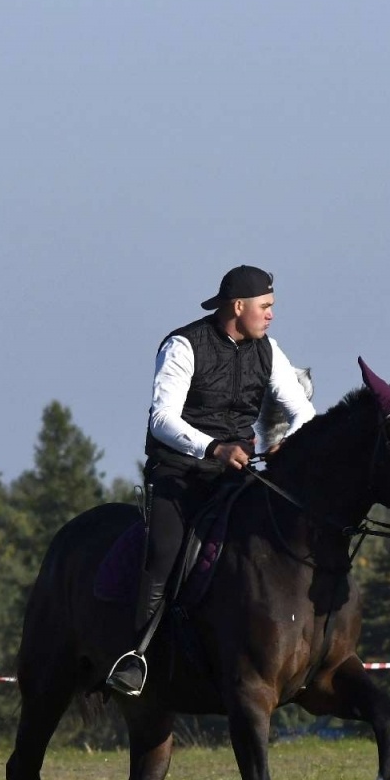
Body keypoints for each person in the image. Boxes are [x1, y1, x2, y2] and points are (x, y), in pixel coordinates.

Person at [103, 266, 316, 697]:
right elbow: (162, 419)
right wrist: (213, 448)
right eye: (266, 307)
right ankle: (136, 655)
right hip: (180, 475)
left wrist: (286, 445)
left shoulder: (270, 351)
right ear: (239, 307)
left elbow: (303, 414)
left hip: (237, 474)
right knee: (163, 552)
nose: (272, 315)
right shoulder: (183, 345)